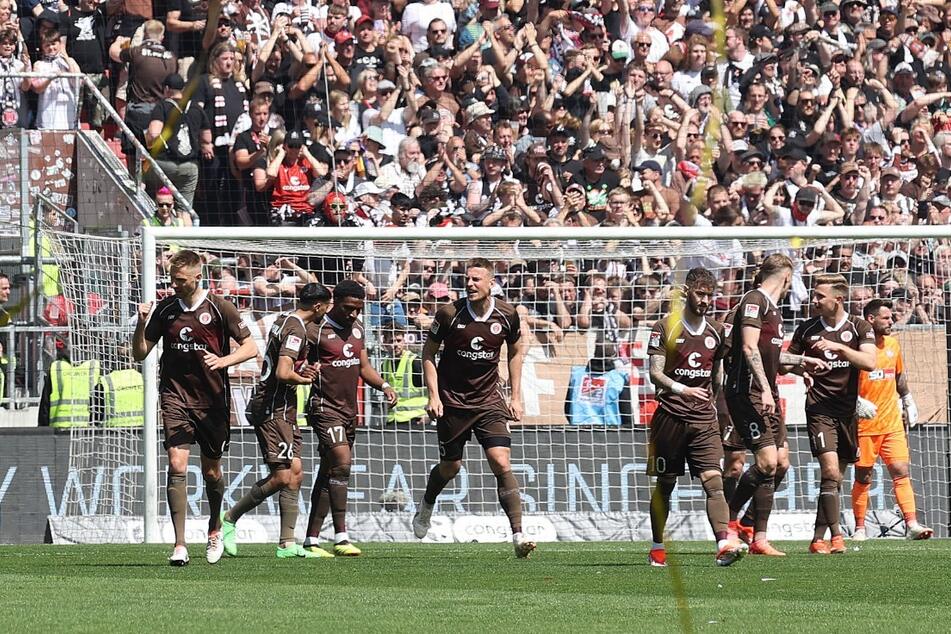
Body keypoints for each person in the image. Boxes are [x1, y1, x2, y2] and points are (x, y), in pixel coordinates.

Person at [132, 249, 258, 566]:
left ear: (197, 277)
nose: (174, 285)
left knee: (211, 470)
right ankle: (179, 544)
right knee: (176, 464)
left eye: (180, 280)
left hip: (212, 401)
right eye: (172, 279)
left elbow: (251, 347)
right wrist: (141, 323)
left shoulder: (220, 307)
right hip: (175, 396)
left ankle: (214, 528)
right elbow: (140, 352)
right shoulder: (167, 309)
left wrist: (224, 361)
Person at [411, 258, 535, 558]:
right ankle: (427, 504)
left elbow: (516, 352)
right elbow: (428, 353)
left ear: (491, 282)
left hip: (489, 401)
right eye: (467, 279)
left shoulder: (507, 314)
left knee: (501, 462)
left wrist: (515, 396)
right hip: (452, 401)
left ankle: (518, 535)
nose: (469, 284)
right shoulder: (449, 314)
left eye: (476, 279)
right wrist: (433, 395)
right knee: (451, 467)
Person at [725, 254, 827, 556]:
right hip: (748, 393)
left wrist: (804, 361)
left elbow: (775, 359)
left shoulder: (775, 310)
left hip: (766, 392)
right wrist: (766, 390)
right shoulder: (754, 299)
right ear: (786, 277)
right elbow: (747, 346)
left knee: (781, 463)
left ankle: (757, 535)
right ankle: (727, 523)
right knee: (767, 462)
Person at [221, 283, 332, 559]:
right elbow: (283, 372)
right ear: (318, 306)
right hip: (272, 408)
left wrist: (300, 369)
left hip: (283, 407)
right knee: (283, 475)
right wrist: (303, 377)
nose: (326, 313)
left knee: (295, 473)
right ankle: (230, 517)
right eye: (326, 307)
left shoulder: (284, 320)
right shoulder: (296, 328)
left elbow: (282, 363)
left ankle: (286, 543)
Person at [646, 267, 746, 568]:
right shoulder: (665, 327)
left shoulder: (717, 331)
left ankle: (722, 543)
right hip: (670, 417)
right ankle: (657, 546)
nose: (704, 300)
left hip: (703, 419)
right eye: (700, 294)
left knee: (713, 482)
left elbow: (717, 374)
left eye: (709, 295)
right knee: (665, 484)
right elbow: (655, 373)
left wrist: (711, 401)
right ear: (687, 292)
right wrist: (682, 389)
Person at [302, 281, 397, 556]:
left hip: (348, 411)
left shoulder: (358, 328)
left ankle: (311, 539)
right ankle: (342, 537)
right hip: (323, 407)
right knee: (343, 464)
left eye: (359, 308)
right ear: (335, 302)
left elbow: (363, 366)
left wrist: (384, 386)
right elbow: (293, 362)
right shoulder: (315, 329)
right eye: (349, 308)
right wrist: (305, 369)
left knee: (329, 471)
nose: (354, 313)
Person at [785, 273, 876, 555]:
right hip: (819, 408)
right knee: (831, 471)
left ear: (838, 300)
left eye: (819, 297)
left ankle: (816, 538)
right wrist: (803, 366)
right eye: (814, 296)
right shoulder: (807, 328)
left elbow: (869, 362)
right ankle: (837, 537)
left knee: (834, 480)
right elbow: (784, 362)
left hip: (847, 412)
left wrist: (840, 348)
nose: (813, 301)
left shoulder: (858, 326)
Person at [852, 299, 933, 541]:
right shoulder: (858, 349)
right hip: (864, 425)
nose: (891, 321)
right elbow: (843, 382)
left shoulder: (893, 345)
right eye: (886, 318)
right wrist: (855, 401)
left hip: (891, 423)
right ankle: (859, 528)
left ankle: (912, 524)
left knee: (900, 470)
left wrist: (908, 399)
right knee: (863, 476)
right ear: (871, 319)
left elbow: (898, 376)